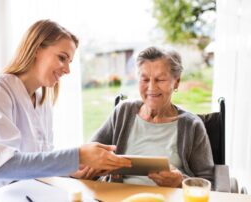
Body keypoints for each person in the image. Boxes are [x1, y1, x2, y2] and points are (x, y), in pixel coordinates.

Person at [0, 19, 131, 188]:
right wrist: (78, 155)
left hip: (22, 191)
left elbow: (38, 162)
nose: (67, 70)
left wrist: (72, 171)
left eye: (69, 62)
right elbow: (1, 169)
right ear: (36, 49)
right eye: (62, 58)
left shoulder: (42, 101)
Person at [73, 46, 214, 188]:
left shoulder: (192, 125)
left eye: (160, 79)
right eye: (145, 79)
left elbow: (211, 183)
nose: (152, 87)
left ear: (176, 81)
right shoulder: (124, 111)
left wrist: (180, 182)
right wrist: (95, 168)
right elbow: (87, 157)